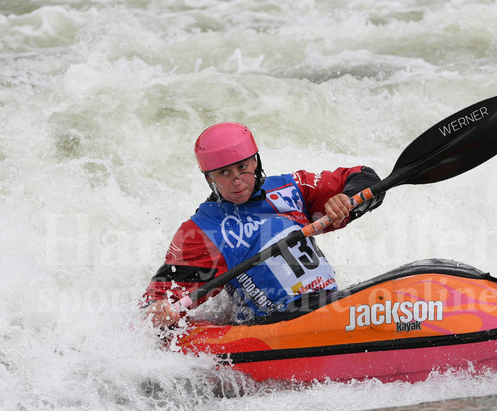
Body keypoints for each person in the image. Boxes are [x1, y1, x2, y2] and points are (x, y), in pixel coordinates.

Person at [142, 122, 384, 327]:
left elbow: (365, 178)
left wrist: (346, 199)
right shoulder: (204, 231)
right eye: (224, 173)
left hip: (329, 304)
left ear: (255, 162)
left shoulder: (292, 188)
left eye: (243, 167)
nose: (237, 181)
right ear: (209, 178)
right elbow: (157, 300)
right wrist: (159, 309)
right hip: (274, 326)